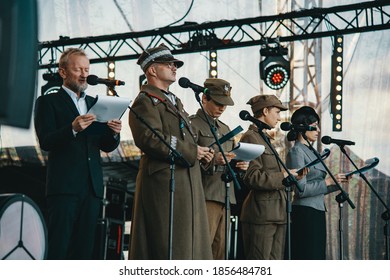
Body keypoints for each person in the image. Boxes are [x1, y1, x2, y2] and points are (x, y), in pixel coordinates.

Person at [34, 48, 122, 259]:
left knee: (85, 249)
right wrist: (72, 128)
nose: (84, 74)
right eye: (78, 69)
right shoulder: (47, 102)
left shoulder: (95, 102)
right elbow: (46, 142)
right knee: (59, 246)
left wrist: (114, 133)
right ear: (63, 72)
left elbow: (106, 145)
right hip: (64, 187)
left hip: (92, 187)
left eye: (86, 69)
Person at [128, 43, 214, 260]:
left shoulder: (175, 101)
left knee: (192, 244)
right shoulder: (145, 101)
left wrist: (202, 152)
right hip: (165, 182)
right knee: (170, 245)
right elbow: (149, 138)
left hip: (187, 180)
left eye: (174, 64)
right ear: (152, 70)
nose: (174, 67)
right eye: (167, 64)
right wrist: (191, 151)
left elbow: (187, 138)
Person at [239, 94, 305, 260]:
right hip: (261, 215)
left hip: (278, 213)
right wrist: (283, 176)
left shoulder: (265, 138)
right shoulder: (250, 137)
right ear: (265, 111)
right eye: (276, 112)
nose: (279, 117)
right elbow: (252, 176)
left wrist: (292, 176)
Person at [189, 78, 249, 259]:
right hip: (205, 194)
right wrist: (213, 160)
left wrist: (240, 165)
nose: (222, 108)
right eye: (218, 103)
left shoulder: (225, 129)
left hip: (226, 196)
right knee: (201, 250)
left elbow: (231, 159)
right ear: (204, 99)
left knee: (221, 252)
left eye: (225, 104)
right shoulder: (193, 124)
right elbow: (187, 160)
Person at [285, 106, 349, 260]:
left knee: (317, 256)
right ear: (303, 127)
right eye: (314, 127)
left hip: (317, 210)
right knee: (308, 256)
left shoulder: (313, 152)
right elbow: (301, 190)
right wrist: (326, 182)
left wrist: (335, 183)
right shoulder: (296, 152)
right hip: (305, 213)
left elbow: (319, 186)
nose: (318, 130)